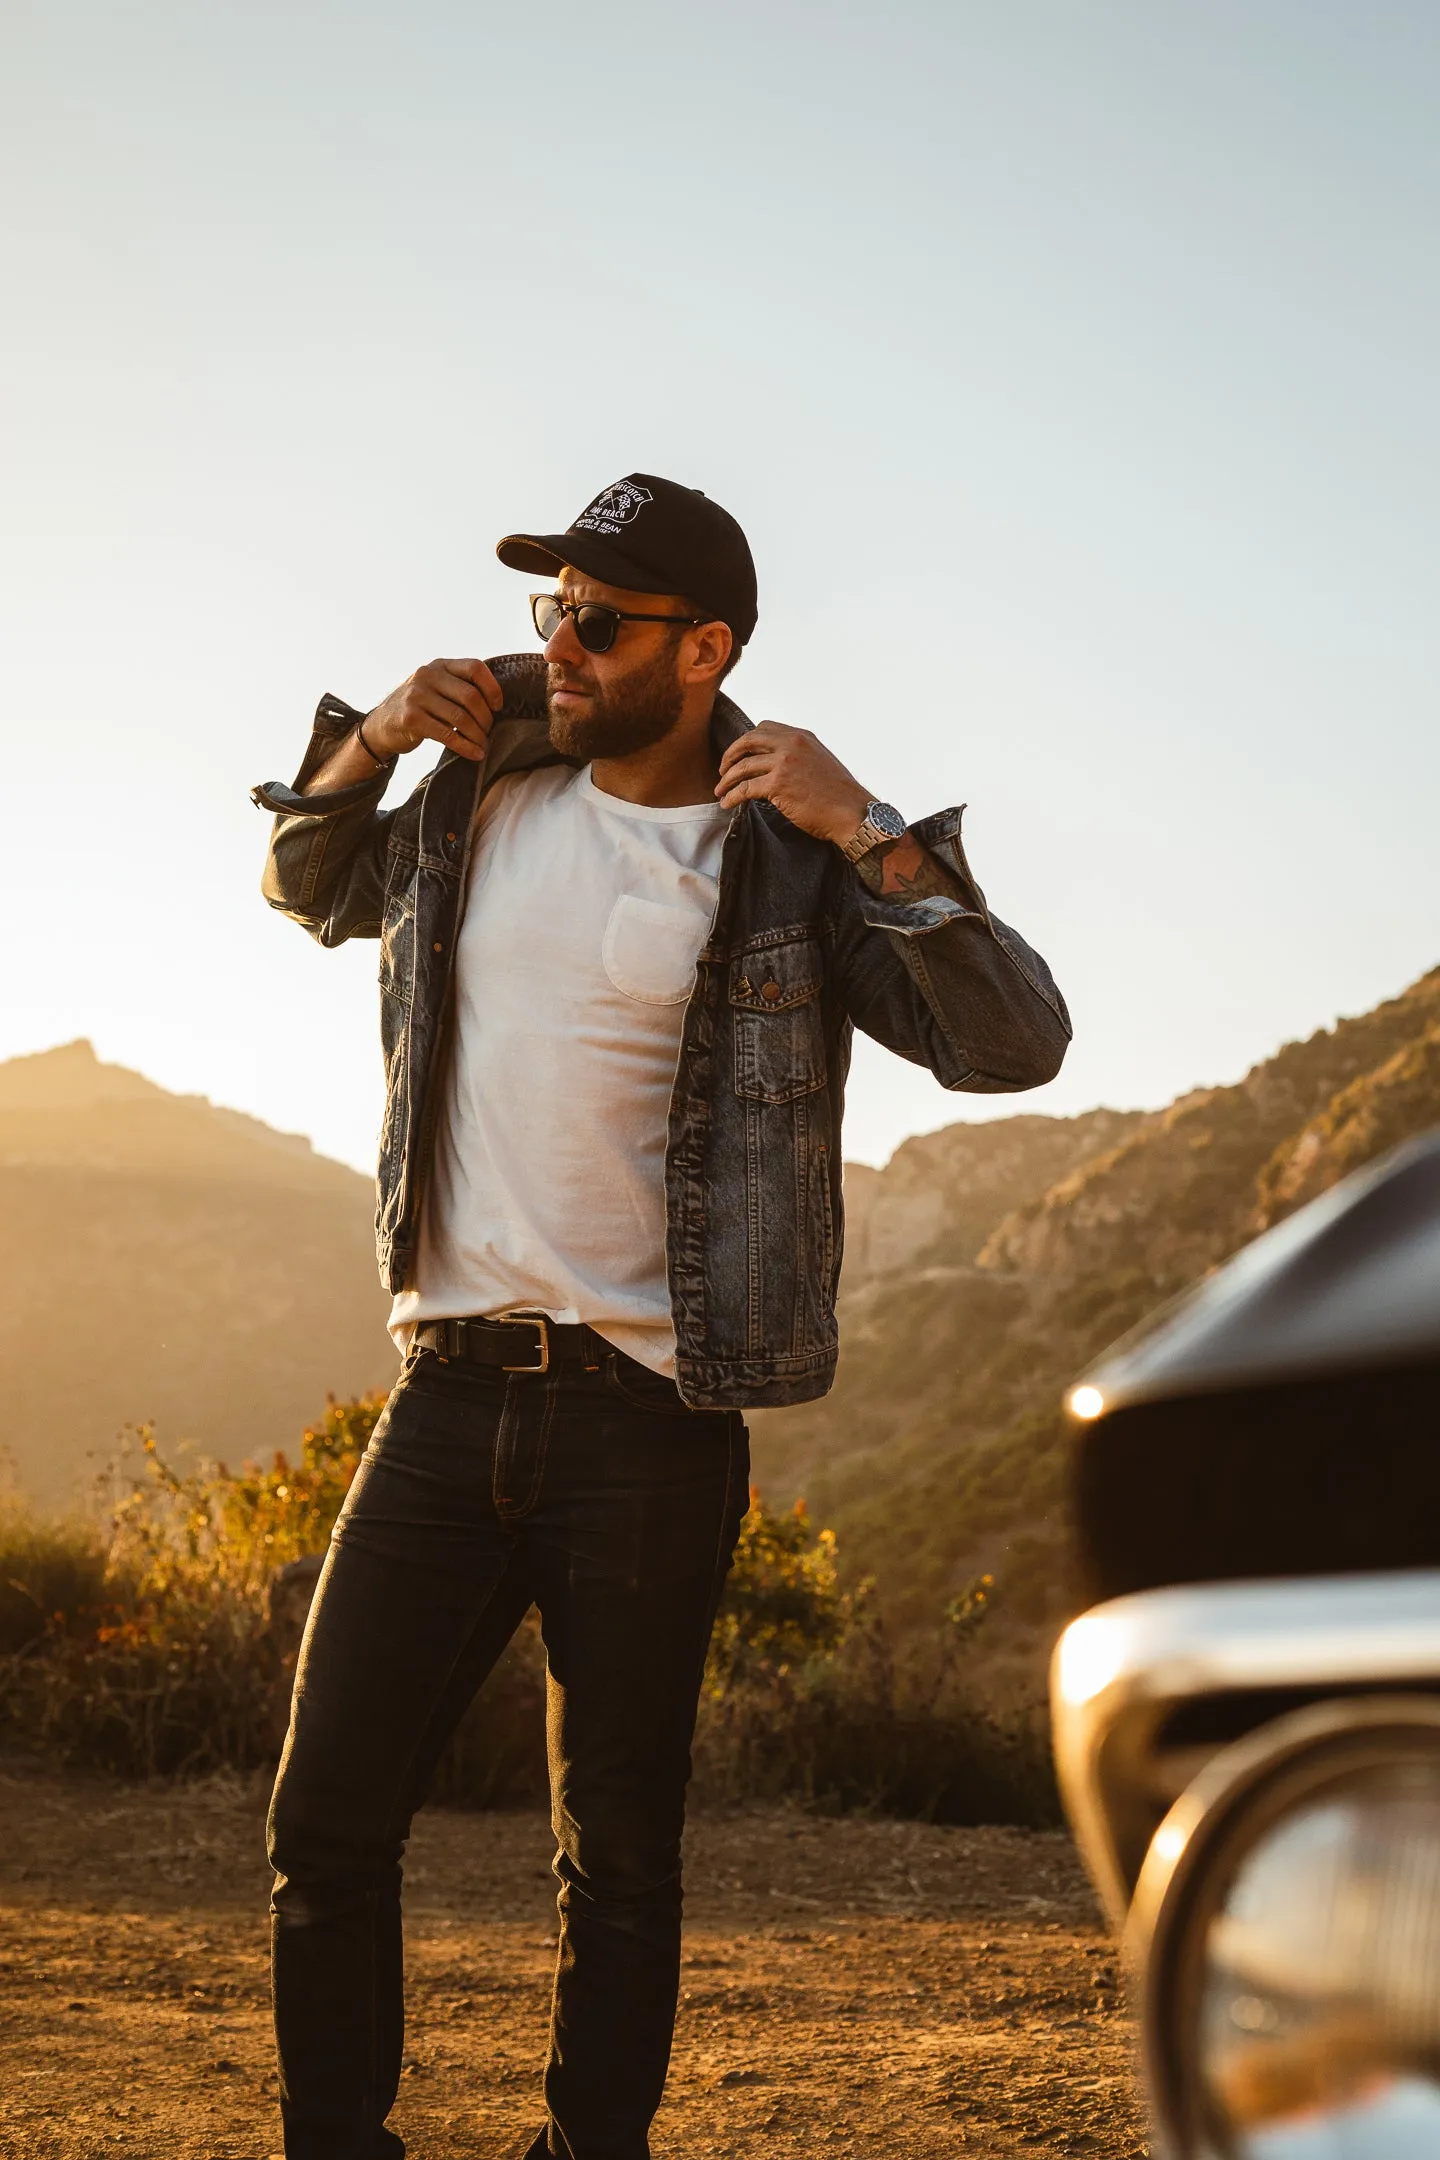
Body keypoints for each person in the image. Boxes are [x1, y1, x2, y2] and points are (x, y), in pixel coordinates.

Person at [252, 472, 1070, 2160]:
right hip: (445, 1391)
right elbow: (305, 882)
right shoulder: (475, 795)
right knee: (324, 1820)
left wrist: (875, 831)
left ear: (704, 652)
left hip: (649, 1418)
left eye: (598, 621)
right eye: (551, 608)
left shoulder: (788, 864)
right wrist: (372, 743)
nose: (557, 642)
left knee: (615, 1859)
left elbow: (1013, 1043)